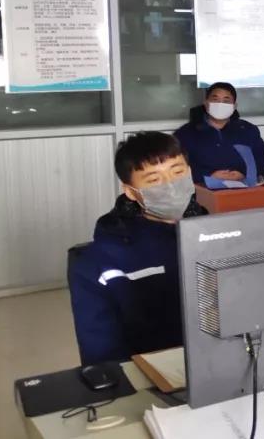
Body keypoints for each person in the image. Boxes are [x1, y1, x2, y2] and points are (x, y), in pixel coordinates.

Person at [68, 132, 207, 365]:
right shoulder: (101, 260)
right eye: (154, 180)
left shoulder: (220, 235)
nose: (170, 185)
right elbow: (101, 354)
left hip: (221, 363)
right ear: (131, 192)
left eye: (177, 172)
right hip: (150, 371)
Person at [174, 82, 264, 186]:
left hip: (243, 186)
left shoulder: (248, 130)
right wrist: (207, 176)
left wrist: (244, 173)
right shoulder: (185, 133)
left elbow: (262, 158)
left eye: (226, 101)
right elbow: (176, 166)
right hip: (201, 189)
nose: (220, 104)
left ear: (234, 106)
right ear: (206, 103)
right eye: (215, 99)